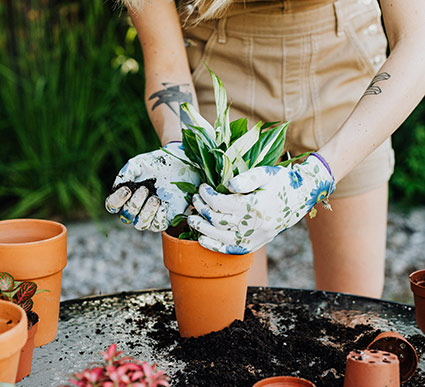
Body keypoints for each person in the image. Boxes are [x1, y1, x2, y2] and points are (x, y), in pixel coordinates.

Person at [105, 0, 425, 298]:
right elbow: (166, 62)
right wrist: (181, 149)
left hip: (344, 62)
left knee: (353, 316)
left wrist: (317, 176)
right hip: (220, 70)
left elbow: (418, 40)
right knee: (231, 326)